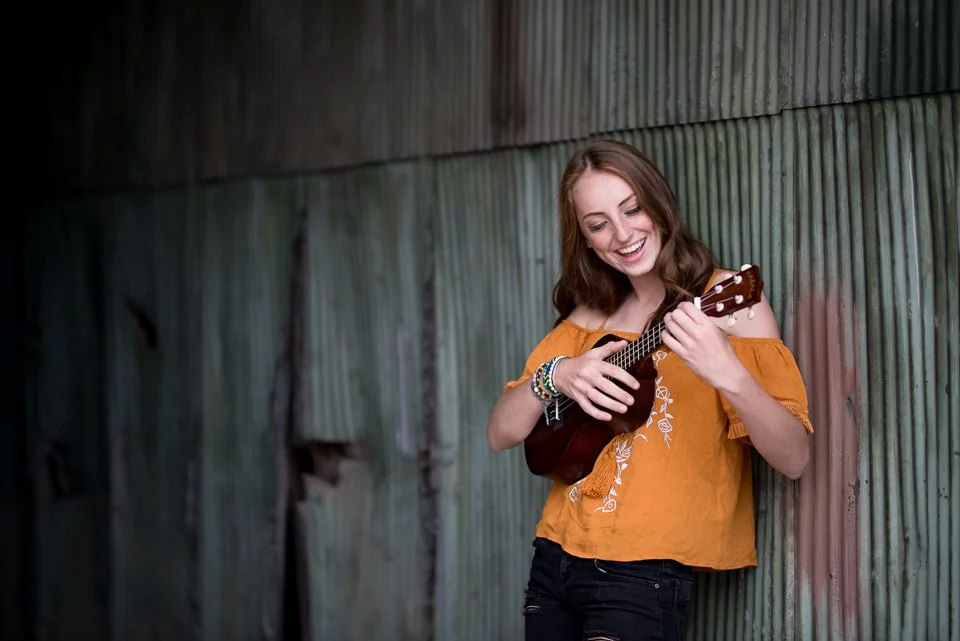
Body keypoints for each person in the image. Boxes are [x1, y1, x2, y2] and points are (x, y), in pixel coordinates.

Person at [486, 139, 813, 641]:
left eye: (632, 209)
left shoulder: (728, 302)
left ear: (659, 205)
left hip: (643, 572)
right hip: (555, 559)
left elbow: (794, 457)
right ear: (586, 240)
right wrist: (558, 375)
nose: (621, 234)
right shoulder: (588, 316)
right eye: (598, 224)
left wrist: (726, 370)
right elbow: (501, 433)